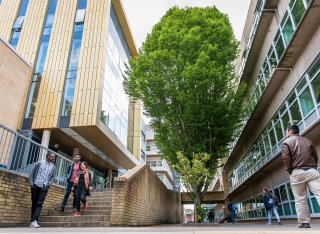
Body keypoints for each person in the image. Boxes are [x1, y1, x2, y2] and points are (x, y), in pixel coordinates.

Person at [282, 124, 320, 228]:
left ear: (290, 131)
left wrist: (290, 171)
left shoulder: (287, 142)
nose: (286, 133)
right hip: (311, 170)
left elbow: (286, 158)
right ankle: (304, 222)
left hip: (296, 172)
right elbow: (315, 156)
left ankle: (304, 222)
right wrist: (314, 167)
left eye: (286, 131)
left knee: (300, 198)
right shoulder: (308, 141)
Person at [28, 152, 56, 228]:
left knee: (39, 203)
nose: (54, 158)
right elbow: (32, 173)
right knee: (34, 202)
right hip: (35, 185)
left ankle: (35, 220)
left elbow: (53, 177)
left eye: (54, 157)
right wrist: (31, 184)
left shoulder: (53, 166)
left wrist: (49, 184)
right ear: (47, 156)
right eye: (52, 157)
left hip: (44, 187)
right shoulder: (39, 163)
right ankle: (32, 220)